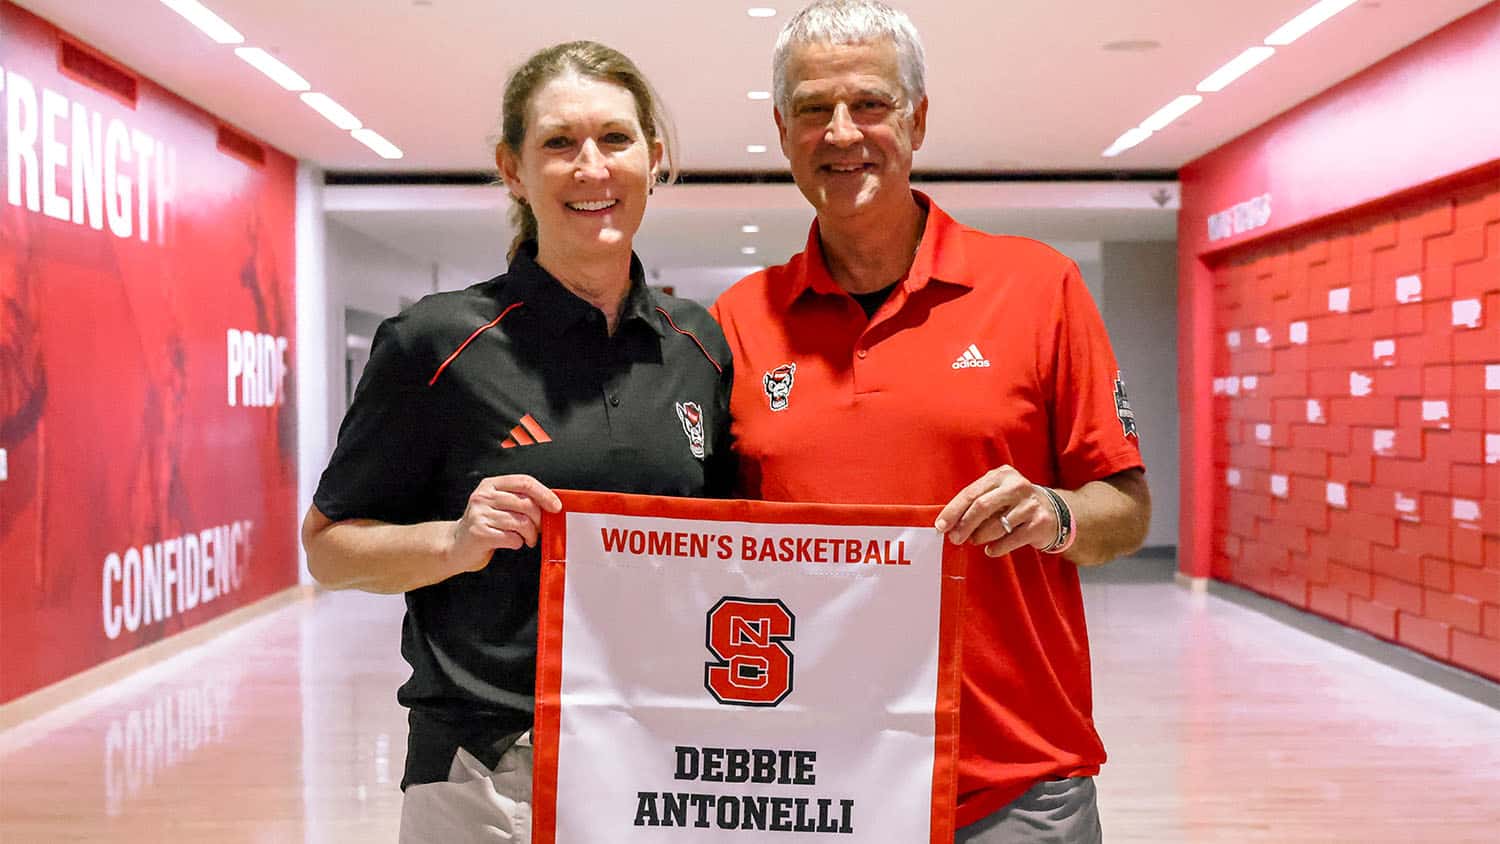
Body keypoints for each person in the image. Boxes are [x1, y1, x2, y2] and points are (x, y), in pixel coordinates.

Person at [709, 2, 1150, 841]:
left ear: (918, 118)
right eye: (813, 109)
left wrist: (1054, 515)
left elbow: (1125, 510)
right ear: (781, 128)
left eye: (870, 104)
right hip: (804, 782)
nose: (842, 132)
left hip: (1014, 782)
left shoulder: (1038, 287)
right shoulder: (740, 317)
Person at [302, 41, 733, 843]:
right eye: (558, 143)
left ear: (655, 158)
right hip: (484, 771)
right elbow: (327, 549)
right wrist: (454, 541)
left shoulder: (700, 347)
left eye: (614, 138)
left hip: (662, 768)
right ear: (513, 168)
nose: (591, 167)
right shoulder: (436, 342)